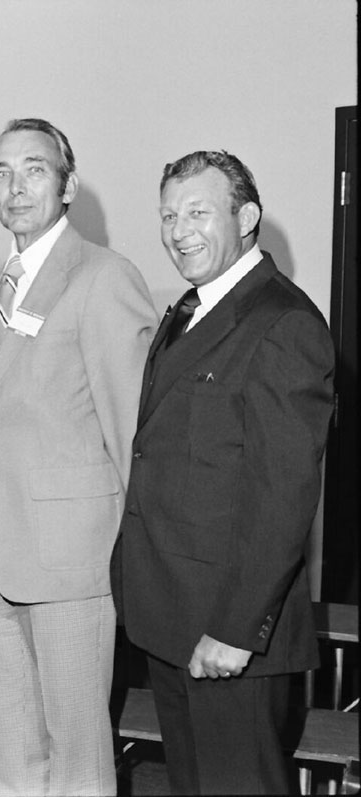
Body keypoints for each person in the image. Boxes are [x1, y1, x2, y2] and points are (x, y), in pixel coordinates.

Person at [112, 150, 334, 795]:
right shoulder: (188, 311)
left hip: (230, 633)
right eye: (168, 215)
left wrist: (236, 631)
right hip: (174, 614)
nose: (179, 230)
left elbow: (283, 496)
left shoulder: (282, 322)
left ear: (247, 218)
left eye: (199, 212)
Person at [0, 118, 156, 796]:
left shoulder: (103, 277)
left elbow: (133, 433)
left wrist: (139, 568)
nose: (15, 187)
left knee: (75, 759)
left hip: (72, 563)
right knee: (9, 755)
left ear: (68, 184)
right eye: (1, 173)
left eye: (34, 169)